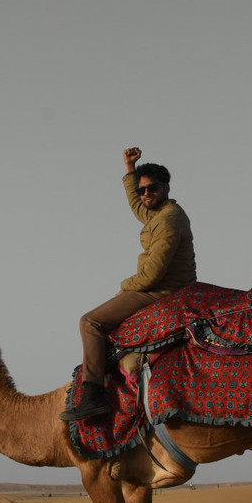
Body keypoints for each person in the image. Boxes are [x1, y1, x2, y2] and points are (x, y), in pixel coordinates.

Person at [60, 147, 197, 421]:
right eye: (143, 189)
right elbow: (138, 206)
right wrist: (129, 169)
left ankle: (93, 394)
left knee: (90, 322)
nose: (146, 194)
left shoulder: (168, 221)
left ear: (166, 187)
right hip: (165, 286)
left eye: (152, 189)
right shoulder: (161, 212)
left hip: (162, 291)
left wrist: (126, 285)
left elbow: (151, 276)